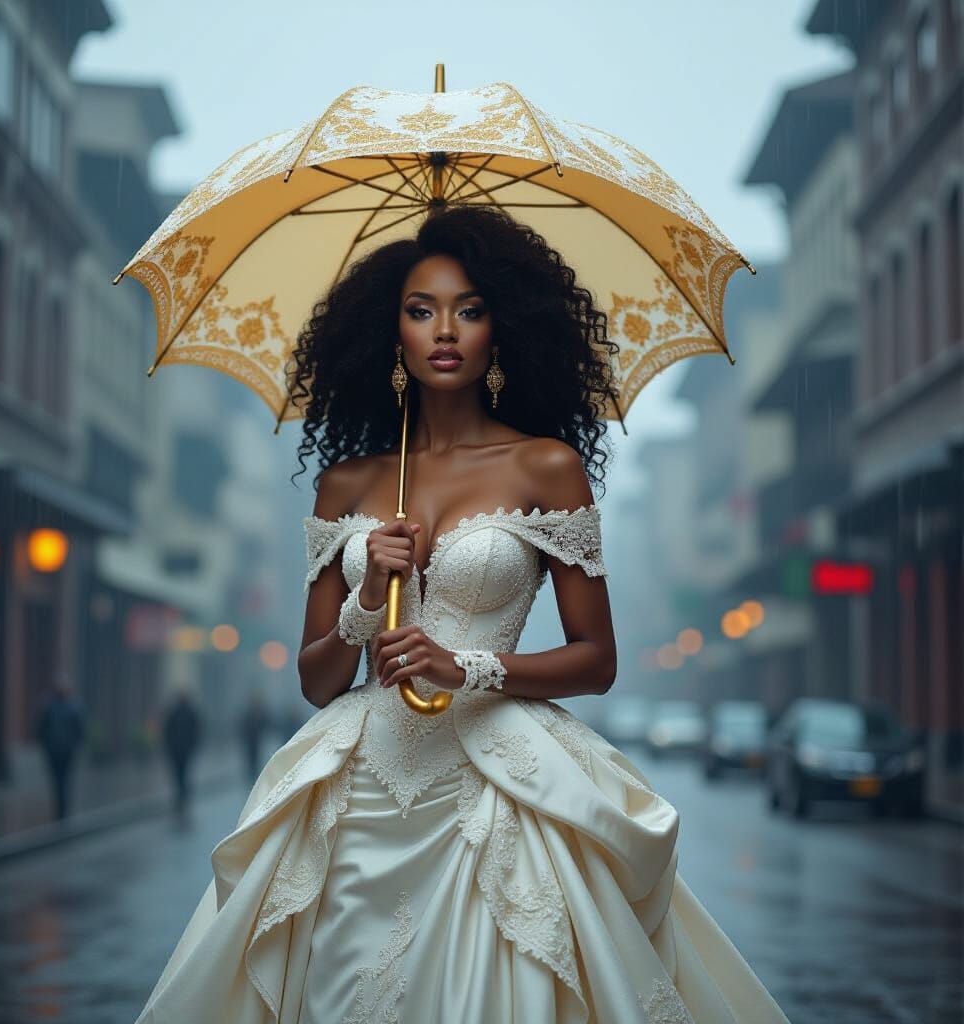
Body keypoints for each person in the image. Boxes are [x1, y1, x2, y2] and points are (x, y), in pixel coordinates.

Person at [135, 206, 790, 1022]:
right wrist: (369, 597)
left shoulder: (546, 467)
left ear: (499, 329)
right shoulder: (346, 484)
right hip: (361, 797)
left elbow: (597, 659)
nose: (445, 329)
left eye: (469, 309)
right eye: (421, 310)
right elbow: (316, 681)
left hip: (496, 787)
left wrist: (466, 666)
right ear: (394, 335)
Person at [34, 675, 85, 821]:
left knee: (64, 780)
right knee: (57, 780)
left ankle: (63, 810)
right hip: (53, 750)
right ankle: (60, 809)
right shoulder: (49, 706)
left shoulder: (74, 707)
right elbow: (41, 728)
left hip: (67, 751)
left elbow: (80, 730)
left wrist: (76, 745)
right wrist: (43, 744)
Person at [161, 687, 202, 816]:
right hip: (179, 750)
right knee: (180, 773)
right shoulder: (178, 713)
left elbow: (196, 730)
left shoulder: (186, 713)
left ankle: (181, 795)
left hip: (181, 750)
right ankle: (181, 794)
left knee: (181, 773)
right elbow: (167, 731)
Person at [238, 689, 270, 785]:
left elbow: (264, 723)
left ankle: (255, 774)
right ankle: (250, 774)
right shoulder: (248, 713)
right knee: (250, 757)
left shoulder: (260, 713)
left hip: (257, 740)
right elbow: (243, 725)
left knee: (256, 757)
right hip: (250, 740)